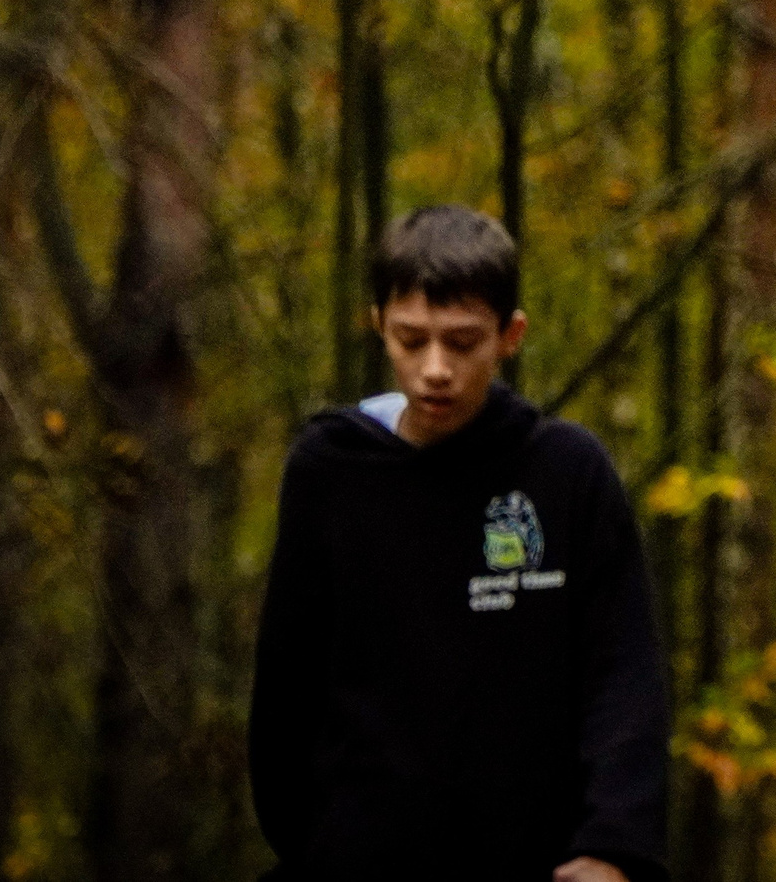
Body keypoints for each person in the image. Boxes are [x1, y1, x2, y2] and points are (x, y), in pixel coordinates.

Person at [249, 205, 669, 882]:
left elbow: (622, 676)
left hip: (536, 855)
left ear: (511, 334)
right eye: (412, 340)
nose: (435, 368)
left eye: (463, 341)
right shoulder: (330, 470)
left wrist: (614, 844)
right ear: (379, 325)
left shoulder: (566, 474)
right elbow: (287, 686)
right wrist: (311, 842)